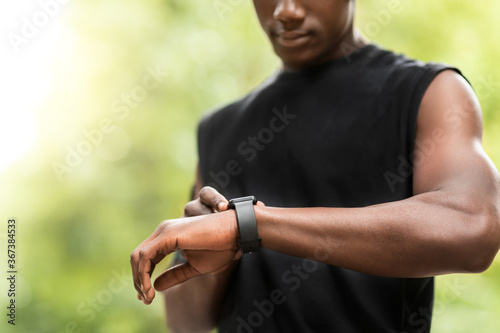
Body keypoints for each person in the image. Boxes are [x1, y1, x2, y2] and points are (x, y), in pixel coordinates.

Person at [130, 1, 500, 332]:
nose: (285, 11)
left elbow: (474, 227)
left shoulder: (427, 92)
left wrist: (250, 225)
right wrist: (214, 264)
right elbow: (186, 323)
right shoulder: (220, 129)